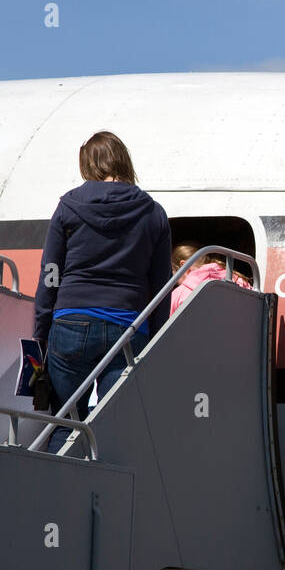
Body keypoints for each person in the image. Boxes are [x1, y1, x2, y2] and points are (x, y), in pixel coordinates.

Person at [34, 131, 171, 452]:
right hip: (128, 327)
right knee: (111, 428)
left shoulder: (68, 207)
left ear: (88, 165)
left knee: (65, 422)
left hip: (70, 323)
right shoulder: (153, 213)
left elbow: (50, 274)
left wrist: (41, 329)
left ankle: (59, 493)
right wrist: (156, 337)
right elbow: (161, 285)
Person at [170, 241, 252, 315]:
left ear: (183, 265)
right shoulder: (236, 278)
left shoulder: (177, 295)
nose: (176, 282)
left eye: (173, 273)